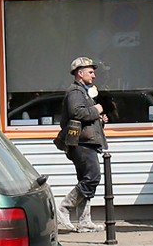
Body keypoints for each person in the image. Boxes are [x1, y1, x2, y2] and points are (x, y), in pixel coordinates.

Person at [56, 57, 108, 233]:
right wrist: (96, 110)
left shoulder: (82, 91)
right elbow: (76, 112)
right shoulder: (76, 92)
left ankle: (84, 222)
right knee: (92, 177)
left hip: (85, 141)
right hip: (81, 143)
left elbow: (83, 115)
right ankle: (64, 208)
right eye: (90, 72)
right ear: (80, 73)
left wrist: (99, 119)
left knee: (85, 179)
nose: (94, 76)